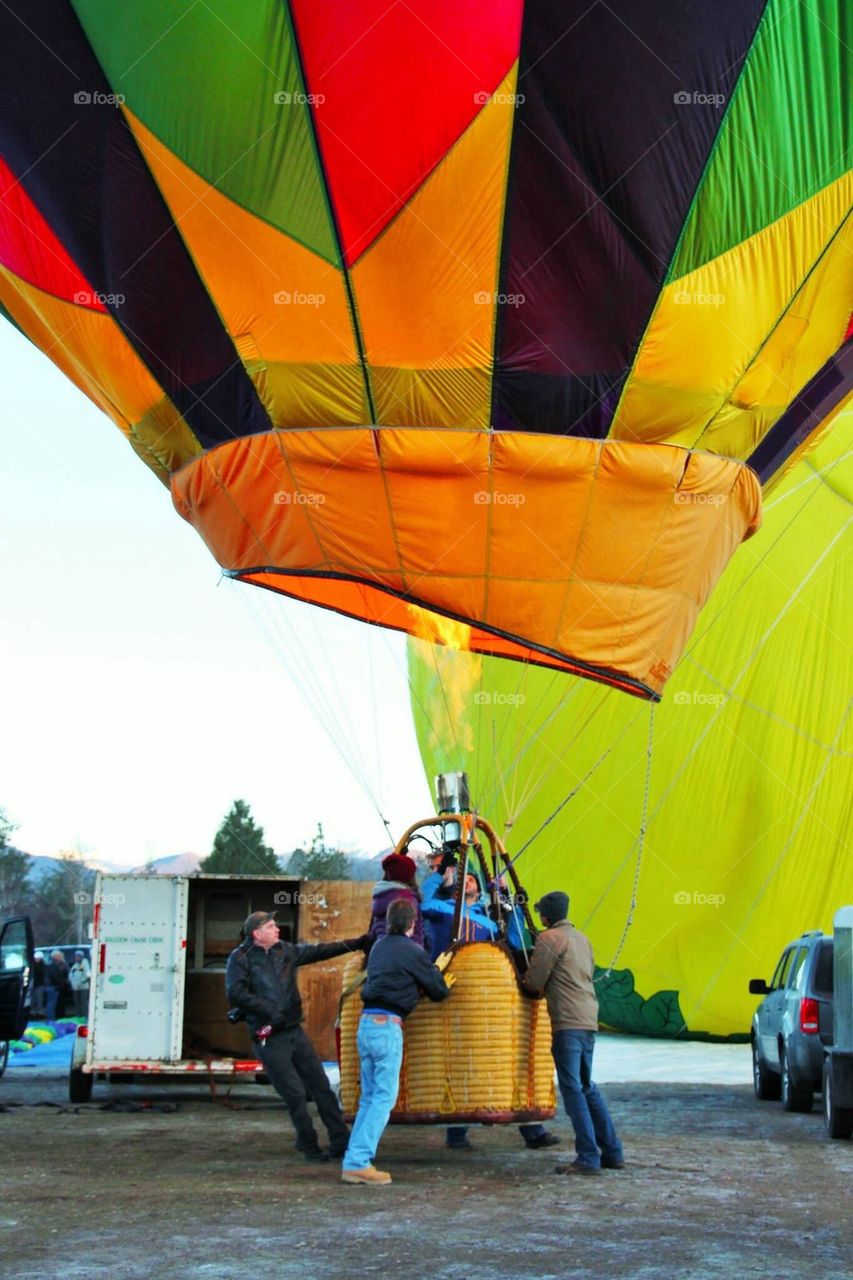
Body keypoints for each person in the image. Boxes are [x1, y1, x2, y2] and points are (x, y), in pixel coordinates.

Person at [423, 864, 559, 1153]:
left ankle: (532, 1129)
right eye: (465, 878)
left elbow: (515, 938)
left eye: (474, 878)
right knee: (461, 1060)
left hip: (488, 998)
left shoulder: (488, 917)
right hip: (455, 993)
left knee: (503, 1059)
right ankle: (457, 1133)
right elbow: (422, 901)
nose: (470, 882)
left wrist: (509, 899)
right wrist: (440, 874)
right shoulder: (440, 908)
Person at [226, 911, 371, 1162]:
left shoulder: (285, 951)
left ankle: (340, 1141)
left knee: (322, 1087)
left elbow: (319, 951)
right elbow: (235, 993)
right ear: (257, 934)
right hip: (269, 1036)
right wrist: (269, 1011)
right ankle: (308, 1144)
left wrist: (356, 943)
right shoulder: (240, 958)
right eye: (271, 926)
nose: (277, 929)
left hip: (293, 1029)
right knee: (294, 1093)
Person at [341, 898, 454, 1185]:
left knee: (369, 1097)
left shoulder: (378, 947)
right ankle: (357, 1162)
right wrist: (437, 972)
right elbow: (439, 991)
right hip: (387, 1026)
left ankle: (353, 1159)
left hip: (366, 1025)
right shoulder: (413, 951)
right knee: (383, 1098)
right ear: (412, 923)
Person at [523, 891, 624, 1175]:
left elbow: (534, 982)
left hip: (566, 1022)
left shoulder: (548, 939)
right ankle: (612, 1151)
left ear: (544, 916)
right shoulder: (582, 939)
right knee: (586, 1085)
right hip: (588, 1018)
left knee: (572, 1090)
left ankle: (588, 1157)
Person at [367, 852, 424, 946]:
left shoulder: (381, 895)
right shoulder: (406, 900)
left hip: (383, 952)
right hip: (406, 955)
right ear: (407, 875)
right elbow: (412, 935)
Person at [45, 950, 70, 1020]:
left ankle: (54, 1018)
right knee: (51, 1004)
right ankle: (51, 1019)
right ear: (55, 956)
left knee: (55, 1004)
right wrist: (60, 983)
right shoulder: (52, 965)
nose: (60, 957)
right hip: (53, 986)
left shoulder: (59, 964)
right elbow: (55, 976)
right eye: (59, 955)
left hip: (56, 986)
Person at [69, 950, 91, 1017]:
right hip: (75, 988)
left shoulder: (85, 964)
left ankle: (85, 1017)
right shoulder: (75, 965)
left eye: (78, 956)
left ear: (81, 957)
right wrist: (71, 981)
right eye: (76, 956)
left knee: (83, 1003)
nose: (77, 958)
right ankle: (78, 1016)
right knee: (77, 1003)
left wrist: (82, 981)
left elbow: (88, 974)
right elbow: (71, 974)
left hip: (83, 987)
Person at [31, 951, 47, 1017]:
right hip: (33, 985)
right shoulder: (32, 965)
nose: (36, 959)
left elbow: (43, 973)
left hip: (40, 985)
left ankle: (39, 1013)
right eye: (36, 958)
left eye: (38, 958)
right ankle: (32, 1012)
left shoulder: (43, 965)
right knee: (33, 1000)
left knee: (39, 1000)